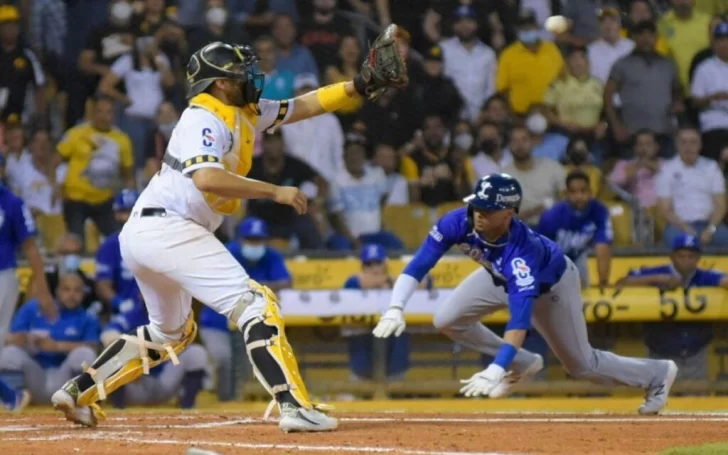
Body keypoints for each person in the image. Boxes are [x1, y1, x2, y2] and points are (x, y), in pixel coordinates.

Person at [51, 34, 407, 432]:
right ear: (220, 82)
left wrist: (358, 85)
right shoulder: (203, 116)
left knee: (170, 332)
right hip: (170, 227)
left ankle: (79, 390)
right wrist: (275, 191)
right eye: (242, 73)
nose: (252, 78)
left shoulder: (242, 110)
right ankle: (292, 405)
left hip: (147, 232)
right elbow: (206, 177)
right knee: (257, 304)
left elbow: (302, 106)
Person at [372, 173, 678, 415]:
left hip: (551, 287)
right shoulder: (459, 219)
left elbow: (519, 320)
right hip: (495, 273)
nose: (478, 213)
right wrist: (395, 307)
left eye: (488, 209)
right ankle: (523, 362)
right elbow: (420, 263)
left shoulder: (522, 254)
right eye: (477, 204)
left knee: (581, 365)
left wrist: (496, 367)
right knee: (447, 319)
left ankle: (656, 373)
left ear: (508, 213)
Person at [199, 216, 293, 402]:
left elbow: (287, 282)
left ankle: (241, 402)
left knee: (256, 361)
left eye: (258, 240)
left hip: (250, 322)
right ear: (240, 239)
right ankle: (220, 402)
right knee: (223, 359)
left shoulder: (271, 255)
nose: (254, 244)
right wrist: (263, 286)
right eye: (250, 239)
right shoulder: (227, 252)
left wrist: (253, 285)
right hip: (217, 321)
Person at [614, 234, 727, 382]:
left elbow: (723, 279)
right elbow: (621, 283)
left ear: (698, 258)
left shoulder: (704, 276)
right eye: (681, 256)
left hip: (695, 354)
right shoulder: (657, 272)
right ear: (672, 257)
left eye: (691, 256)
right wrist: (659, 279)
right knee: (661, 402)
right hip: (661, 354)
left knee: (697, 401)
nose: (686, 261)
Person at [0, 156, 55, 411]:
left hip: (3, 277)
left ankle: (11, 397)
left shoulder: (11, 202)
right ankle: (11, 397)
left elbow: (31, 248)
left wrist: (42, 290)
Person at [0, 273, 99, 405]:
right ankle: (12, 400)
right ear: (57, 291)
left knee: (86, 354)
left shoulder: (88, 317)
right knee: (9, 353)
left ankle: (82, 404)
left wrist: (57, 347)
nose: (71, 295)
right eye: (66, 289)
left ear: (84, 294)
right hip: (35, 374)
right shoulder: (32, 308)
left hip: (65, 378)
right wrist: (24, 339)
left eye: (77, 290)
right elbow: (9, 339)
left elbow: (94, 347)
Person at [537, 171, 612, 290]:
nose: (579, 196)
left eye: (583, 191)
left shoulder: (599, 211)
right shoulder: (551, 216)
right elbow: (543, 255)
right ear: (565, 194)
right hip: (551, 261)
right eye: (573, 192)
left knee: (583, 289)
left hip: (578, 256)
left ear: (591, 192)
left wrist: (603, 287)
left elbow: (603, 246)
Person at [95, 189, 142, 316]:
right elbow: (103, 284)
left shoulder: (158, 241)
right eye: (124, 212)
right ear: (116, 215)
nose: (130, 216)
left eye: (133, 210)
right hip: (125, 311)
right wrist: (119, 302)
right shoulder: (110, 246)